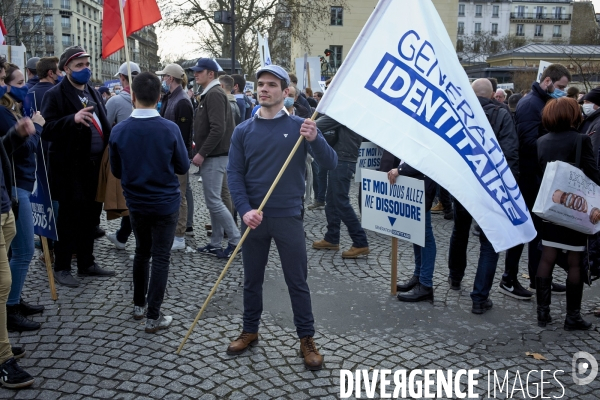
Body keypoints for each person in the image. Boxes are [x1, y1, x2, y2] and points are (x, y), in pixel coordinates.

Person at [226, 65, 337, 371]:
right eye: (261, 84)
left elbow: (330, 163)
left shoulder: (303, 126)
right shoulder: (243, 131)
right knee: (251, 279)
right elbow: (234, 174)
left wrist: (316, 138)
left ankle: (306, 338)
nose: (264, 89)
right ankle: (250, 330)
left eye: (272, 85)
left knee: (297, 281)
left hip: (288, 216)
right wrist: (244, 208)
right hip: (253, 218)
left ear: (285, 92)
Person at [109, 72, 189, 333]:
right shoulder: (169, 128)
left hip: (137, 202)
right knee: (161, 257)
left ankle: (138, 306)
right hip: (165, 202)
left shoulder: (119, 130)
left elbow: (117, 171)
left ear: (132, 96)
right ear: (158, 97)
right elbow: (182, 165)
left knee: (142, 251)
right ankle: (153, 315)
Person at [41, 46, 115, 287]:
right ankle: (62, 266)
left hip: (95, 167)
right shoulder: (55, 94)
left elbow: (103, 123)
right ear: (65, 69)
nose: (85, 69)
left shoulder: (92, 91)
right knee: (69, 219)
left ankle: (87, 262)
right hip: (69, 169)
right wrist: (71, 120)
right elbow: (47, 130)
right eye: (79, 66)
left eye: (87, 64)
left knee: (91, 217)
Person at [447, 79, 522, 312]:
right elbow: (510, 153)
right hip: (491, 186)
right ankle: (479, 298)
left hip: (463, 184)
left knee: (460, 230)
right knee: (489, 241)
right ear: (492, 95)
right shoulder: (502, 115)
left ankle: (455, 277)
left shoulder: (459, 114)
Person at [503, 63, 571, 296]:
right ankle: (509, 278)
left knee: (538, 231)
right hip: (529, 177)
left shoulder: (542, 102)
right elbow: (528, 142)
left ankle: (539, 277)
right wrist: (557, 141)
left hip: (540, 177)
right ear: (548, 81)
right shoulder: (531, 104)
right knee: (524, 230)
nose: (563, 91)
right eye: (561, 86)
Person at [536, 97, 599, 330]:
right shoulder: (581, 139)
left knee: (547, 256)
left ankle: (543, 314)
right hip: (574, 210)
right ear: (572, 115)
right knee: (574, 261)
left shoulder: (541, 141)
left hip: (550, 209)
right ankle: (572, 317)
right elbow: (593, 175)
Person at [0, 64, 47, 332]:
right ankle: (10, 307)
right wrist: (36, 128)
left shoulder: (12, 110)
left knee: (19, 251)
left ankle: (13, 300)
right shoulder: (4, 112)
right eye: (18, 82)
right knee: (23, 251)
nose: (23, 87)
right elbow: (21, 147)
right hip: (15, 186)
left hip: (21, 183)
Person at [189, 58, 241, 258]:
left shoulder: (214, 94)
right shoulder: (212, 93)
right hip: (216, 155)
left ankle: (235, 240)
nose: (195, 74)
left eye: (199, 71)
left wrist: (202, 153)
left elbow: (218, 128)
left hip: (215, 155)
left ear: (211, 74)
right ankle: (216, 243)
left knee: (213, 201)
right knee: (216, 199)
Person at [0, 118, 36, 389]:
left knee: (3, 285)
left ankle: (3, 348)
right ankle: (2, 359)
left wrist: (15, 135)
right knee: (2, 284)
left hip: (4, 206)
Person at [312, 116, 369, 258]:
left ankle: (360, 242)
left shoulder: (343, 113)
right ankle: (332, 238)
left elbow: (317, 125)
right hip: (342, 158)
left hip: (343, 159)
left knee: (341, 202)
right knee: (331, 200)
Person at [103, 62, 141, 251]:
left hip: (122, 155)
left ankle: (124, 236)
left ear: (123, 78)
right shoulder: (145, 98)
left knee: (128, 197)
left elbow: (105, 127)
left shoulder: (114, 101)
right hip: (143, 155)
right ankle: (122, 235)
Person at [156, 63, 193, 251]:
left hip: (177, 158)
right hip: (168, 157)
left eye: (164, 77)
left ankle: (179, 236)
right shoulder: (171, 98)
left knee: (180, 195)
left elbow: (183, 136)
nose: (162, 80)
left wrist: (181, 160)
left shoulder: (183, 101)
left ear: (170, 78)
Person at [388, 159, 437, 302]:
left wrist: (400, 170)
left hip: (423, 184)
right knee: (417, 233)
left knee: (425, 235)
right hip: (416, 182)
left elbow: (424, 158)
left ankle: (425, 283)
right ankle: (419, 277)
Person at [579, 87, 600, 163]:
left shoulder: (598, 123)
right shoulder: (590, 118)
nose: (584, 105)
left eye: (587, 102)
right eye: (584, 102)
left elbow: (594, 151)